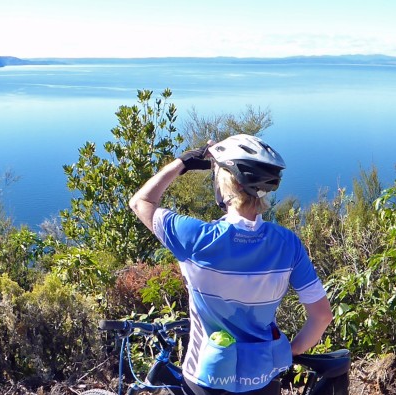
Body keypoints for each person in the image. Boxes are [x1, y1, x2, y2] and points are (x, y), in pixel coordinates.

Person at [128, 134, 333, 395]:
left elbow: (141, 202)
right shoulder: (287, 244)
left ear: (225, 185)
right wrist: (288, 350)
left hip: (205, 380)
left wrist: (183, 162)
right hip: (263, 379)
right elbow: (322, 316)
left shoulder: (195, 238)